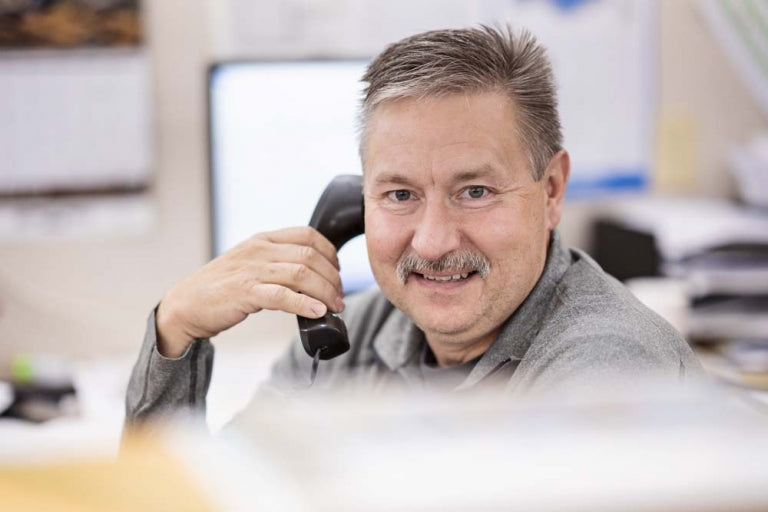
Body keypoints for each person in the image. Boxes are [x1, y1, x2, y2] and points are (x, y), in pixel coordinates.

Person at [126, 25, 703, 425]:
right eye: (399, 194)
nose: (432, 242)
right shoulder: (359, 332)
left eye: (474, 192)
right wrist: (176, 332)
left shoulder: (608, 370)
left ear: (550, 190)